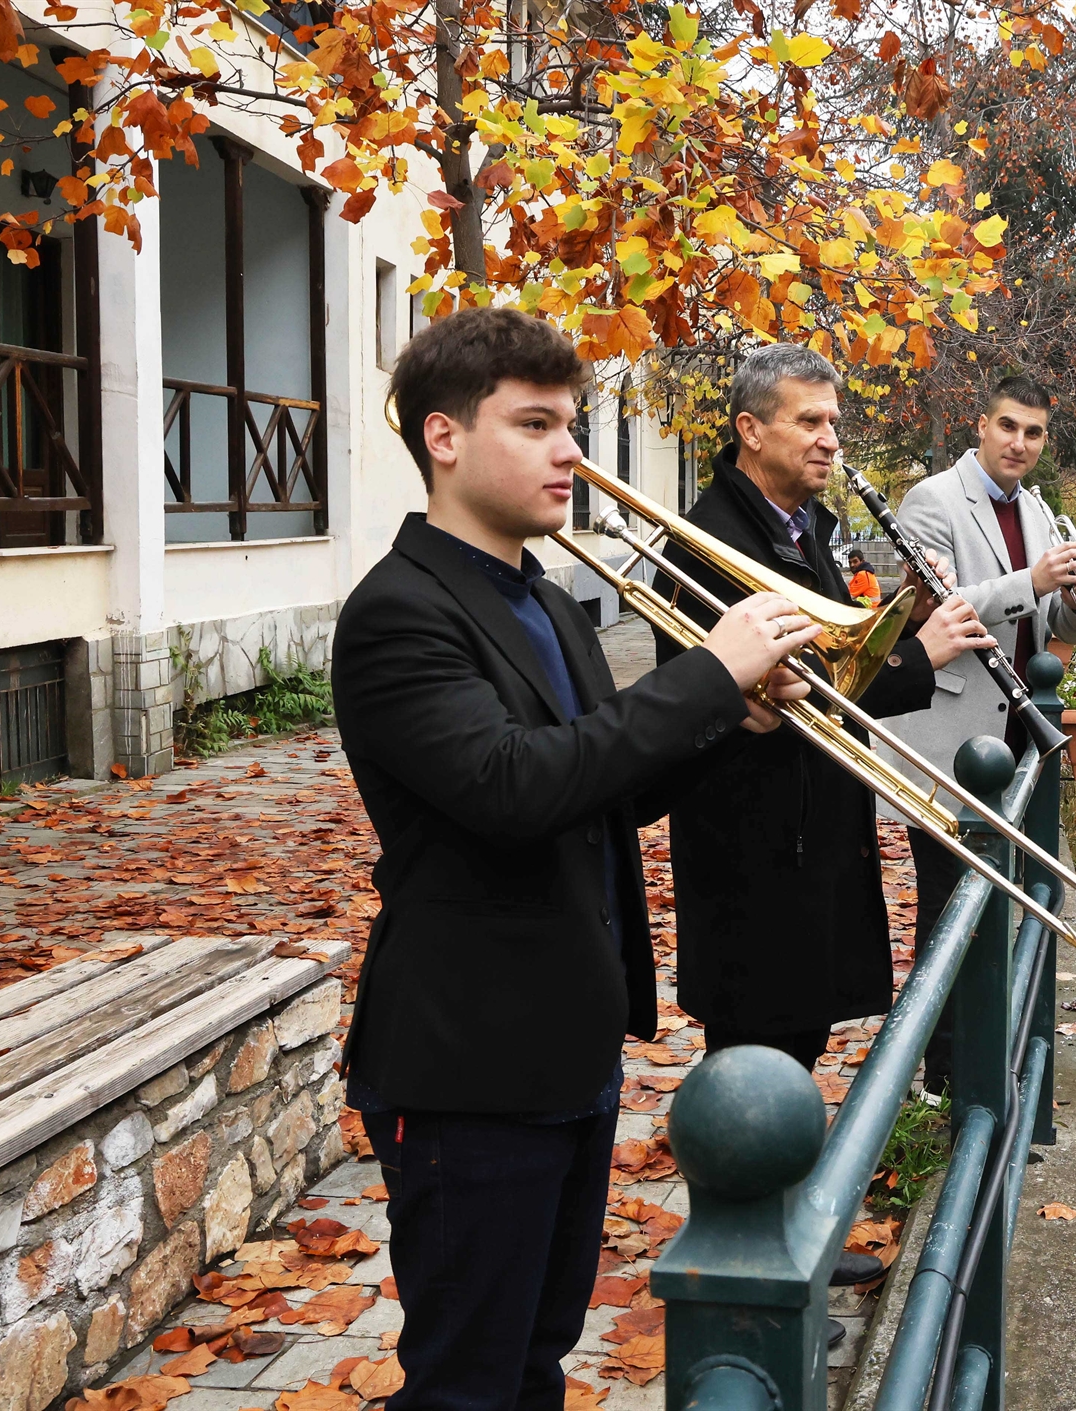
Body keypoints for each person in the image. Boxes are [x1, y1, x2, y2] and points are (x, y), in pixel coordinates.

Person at [331, 306, 820, 1411]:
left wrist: (726, 720)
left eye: (575, 424)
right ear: (444, 438)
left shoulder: (547, 596)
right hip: (468, 1061)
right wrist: (706, 673)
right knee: (467, 1378)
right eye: (539, 424)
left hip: (566, 1043)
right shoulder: (397, 611)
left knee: (538, 1355)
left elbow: (601, 791)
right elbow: (512, 788)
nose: (570, 453)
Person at [652, 342, 995, 1322]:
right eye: (809, 422)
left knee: (792, 1043)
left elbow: (834, 660)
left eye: (834, 423)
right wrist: (920, 655)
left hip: (810, 828)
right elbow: (801, 693)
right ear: (749, 430)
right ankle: (748, 1251)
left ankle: (792, 1228)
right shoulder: (713, 537)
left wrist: (896, 615)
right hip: (753, 841)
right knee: (754, 1045)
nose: (829, 439)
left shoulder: (803, 525)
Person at [881, 374, 1076, 1087]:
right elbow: (934, 607)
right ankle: (943, 1078)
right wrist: (1033, 579)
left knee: (991, 905)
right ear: (980, 424)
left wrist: (1072, 598)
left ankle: (977, 1058)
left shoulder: (1035, 506)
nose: (1021, 444)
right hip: (953, 740)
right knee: (948, 913)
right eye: (1009, 427)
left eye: (1034, 433)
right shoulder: (931, 500)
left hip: (1015, 738)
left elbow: (1048, 624)